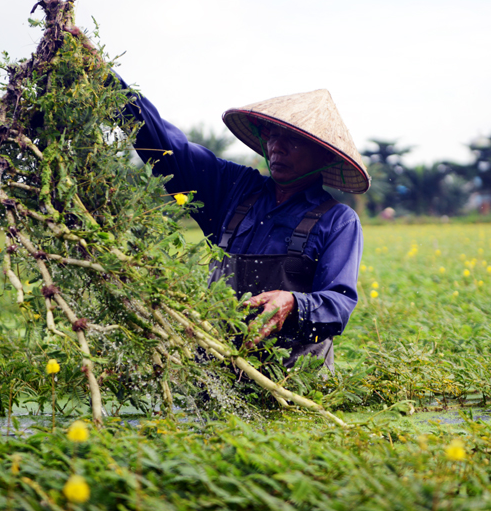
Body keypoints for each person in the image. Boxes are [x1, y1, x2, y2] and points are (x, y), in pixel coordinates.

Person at [112, 73, 370, 371]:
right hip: (215, 375)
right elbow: (166, 147)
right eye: (273, 135)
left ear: (324, 157)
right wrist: (108, 83)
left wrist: (293, 303)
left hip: (295, 386)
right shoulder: (233, 190)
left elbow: (338, 305)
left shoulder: (337, 221)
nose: (278, 147)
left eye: (294, 141)